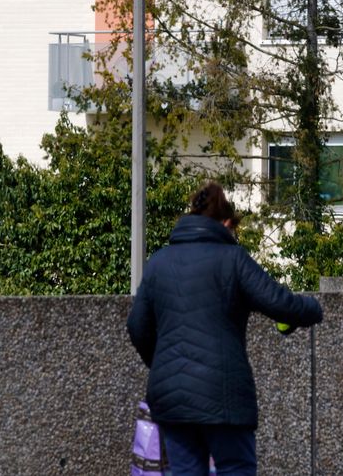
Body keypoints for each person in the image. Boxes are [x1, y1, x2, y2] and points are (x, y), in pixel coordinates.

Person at [126, 182, 324, 476]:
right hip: (224, 398)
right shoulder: (232, 260)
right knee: (236, 467)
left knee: (185, 471)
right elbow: (280, 303)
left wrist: (164, 365)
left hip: (171, 400)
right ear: (227, 223)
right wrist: (314, 309)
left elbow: (136, 327)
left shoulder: (158, 263)